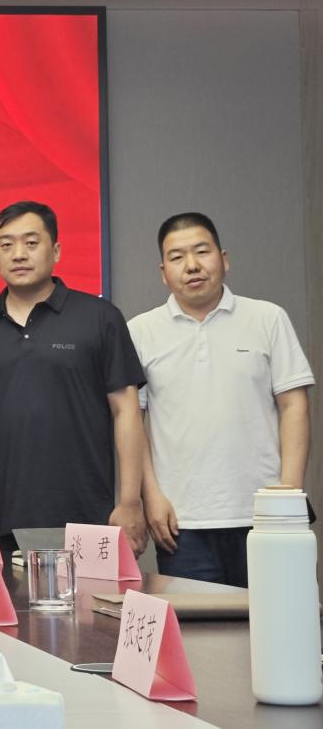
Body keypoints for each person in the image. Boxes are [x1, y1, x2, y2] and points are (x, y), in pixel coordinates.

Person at [0, 201, 148, 554]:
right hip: (2, 520)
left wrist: (130, 501)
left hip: (89, 517)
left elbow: (126, 410)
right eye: (6, 245)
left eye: (31, 242)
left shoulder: (100, 318)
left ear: (55, 251)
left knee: (91, 594)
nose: (18, 254)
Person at [129, 213, 313, 586]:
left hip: (264, 516)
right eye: (177, 257)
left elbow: (294, 405)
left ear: (223, 259)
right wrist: (151, 496)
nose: (192, 265)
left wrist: (288, 496)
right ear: (164, 272)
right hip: (181, 523)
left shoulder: (268, 318)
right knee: (197, 624)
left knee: (276, 617)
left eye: (202, 251)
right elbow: (134, 422)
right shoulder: (140, 331)